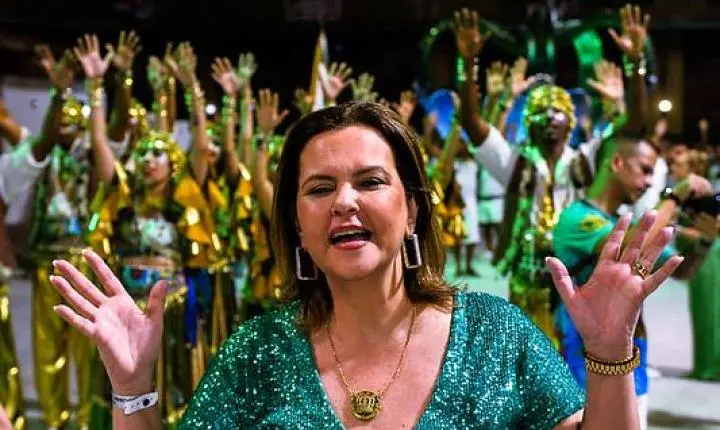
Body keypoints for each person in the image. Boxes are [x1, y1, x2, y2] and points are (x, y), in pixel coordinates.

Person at [49, 101, 683, 429]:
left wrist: (609, 354)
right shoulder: (256, 353)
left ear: (411, 210)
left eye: (371, 181)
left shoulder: (496, 336)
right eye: (320, 188)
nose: (344, 202)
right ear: (297, 225)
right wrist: (132, 388)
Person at [455, 6, 648, 347]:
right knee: (527, 352)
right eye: (540, 111)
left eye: (557, 110)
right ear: (529, 120)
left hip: (576, 271)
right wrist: (467, 64)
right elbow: (472, 122)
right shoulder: (515, 163)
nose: (549, 117)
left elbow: (633, 123)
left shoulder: (586, 160)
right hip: (528, 275)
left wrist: (634, 64)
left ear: (570, 121)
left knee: (574, 352)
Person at [552, 134, 715, 429]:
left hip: (631, 359)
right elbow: (632, 249)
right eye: (645, 170)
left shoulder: (624, 223)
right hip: (583, 366)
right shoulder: (575, 217)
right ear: (617, 163)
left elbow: (682, 270)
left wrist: (705, 239)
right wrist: (674, 198)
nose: (650, 182)